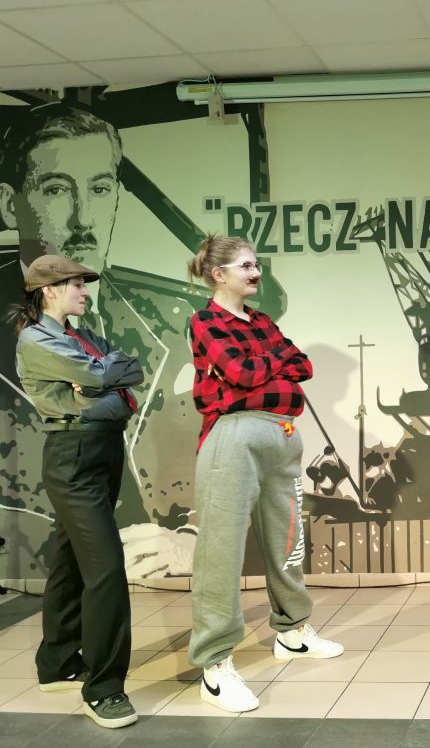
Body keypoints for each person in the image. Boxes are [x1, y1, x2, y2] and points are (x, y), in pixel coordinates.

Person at [0, 101, 200, 579]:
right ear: (9, 204)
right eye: (56, 190)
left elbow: (214, 450)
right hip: (41, 568)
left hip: (153, 579)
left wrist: (194, 534)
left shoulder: (172, 320)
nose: (82, 218)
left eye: (100, 188)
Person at [185, 235, 343, 713]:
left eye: (256, 265)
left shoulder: (262, 322)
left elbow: (304, 365)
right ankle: (214, 665)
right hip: (233, 437)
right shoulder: (205, 321)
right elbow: (242, 373)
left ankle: (293, 632)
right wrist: (276, 364)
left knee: (287, 540)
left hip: (283, 435)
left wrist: (266, 365)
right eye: (245, 266)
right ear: (219, 274)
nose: (255, 272)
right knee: (221, 552)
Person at [9, 254, 142, 728]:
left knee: (69, 558)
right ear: (49, 290)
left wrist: (95, 378)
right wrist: (98, 377)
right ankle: (103, 690)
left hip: (103, 448)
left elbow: (131, 371)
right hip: (73, 454)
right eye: (77, 284)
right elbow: (106, 376)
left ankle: (59, 661)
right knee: (106, 569)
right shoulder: (36, 338)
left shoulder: (83, 338)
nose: (85, 291)